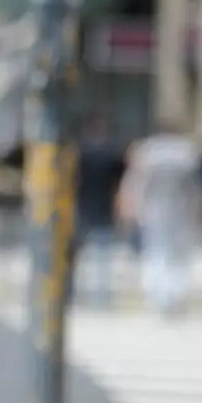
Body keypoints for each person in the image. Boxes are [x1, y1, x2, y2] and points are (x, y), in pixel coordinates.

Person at [117, 122, 202, 317]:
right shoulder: (187, 152)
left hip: (154, 212)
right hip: (180, 212)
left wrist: (130, 210)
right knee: (177, 256)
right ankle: (174, 296)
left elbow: (135, 184)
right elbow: (197, 189)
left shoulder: (148, 151)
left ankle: (159, 298)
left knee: (156, 253)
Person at [67, 115, 123, 307]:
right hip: (103, 210)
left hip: (80, 210)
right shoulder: (111, 154)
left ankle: (68, 292)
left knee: (72, 258)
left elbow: (69, 183)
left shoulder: (77, 154)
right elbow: (117, 185)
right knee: (102, 259)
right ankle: (102, 298)